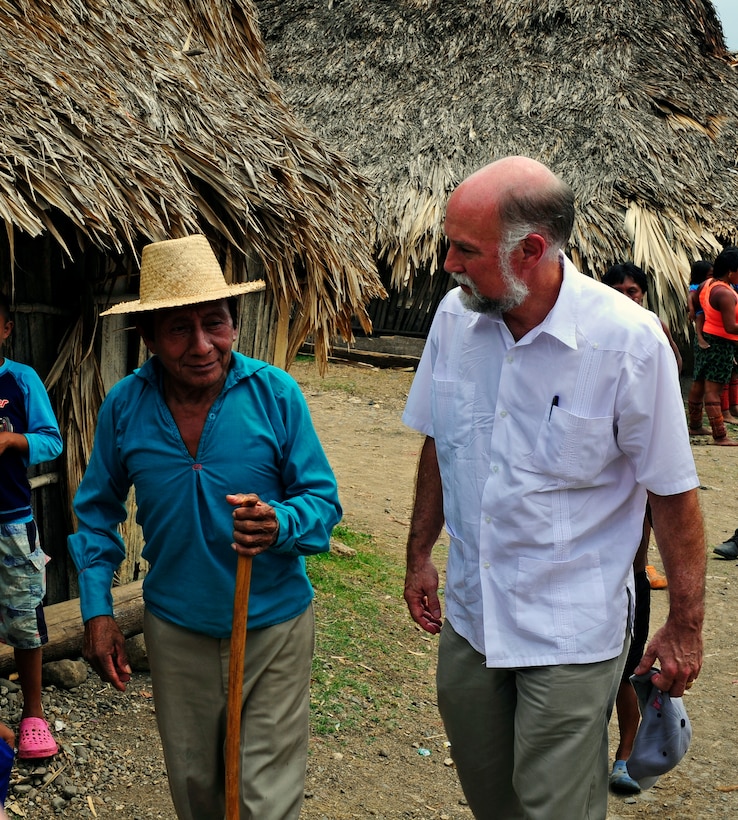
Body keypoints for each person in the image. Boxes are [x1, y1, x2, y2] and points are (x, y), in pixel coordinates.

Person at [402, 156, 705, 820]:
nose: (448, 263)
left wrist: (684, 627)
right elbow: (438, 437)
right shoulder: (455, 321)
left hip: (572, 629)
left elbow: (674, 498)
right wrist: (419, 552)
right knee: (491, 798)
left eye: (465, 249)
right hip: (473, 616)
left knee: (554, 810)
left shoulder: (627, 344)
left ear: (531, 250)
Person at [67, 235, 342, 820]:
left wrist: (281, 523)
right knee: (196, 790)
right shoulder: (125, 406)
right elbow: (96, 512)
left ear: (235, 323)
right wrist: (97, 610)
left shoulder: (275, 395)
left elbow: (322, 502)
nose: (201, 346)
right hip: (176, 629)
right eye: (178, 330)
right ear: (148, 338)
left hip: (272, 627)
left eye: (214, 324)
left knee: (264, 800)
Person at [0, 294, 63, 760]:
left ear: (6, 329)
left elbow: (51, 441)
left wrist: (11, 439)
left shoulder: (21, 380)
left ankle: (33, 716)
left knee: (25, 616)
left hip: (12, 524)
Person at [686, 247, 738, 445]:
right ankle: (720, 436)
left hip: (705, 338)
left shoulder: (707, 284)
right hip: (720, 344)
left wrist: (699, 332)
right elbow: (731, 326)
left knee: (699, 384)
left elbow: (698, 306)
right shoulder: (725, 294)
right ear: (731, 271)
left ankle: (696, 426)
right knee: (713, 390)